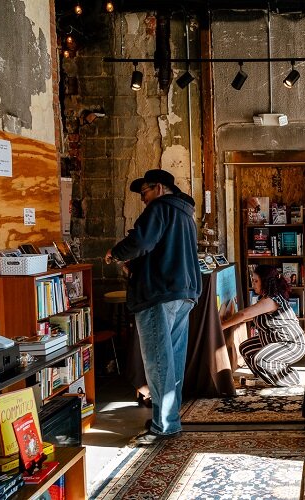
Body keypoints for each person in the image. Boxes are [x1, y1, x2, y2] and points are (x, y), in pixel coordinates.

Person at [105, 169, 201, 445]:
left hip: (160, 292)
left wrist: (117, 252)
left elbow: (143, 241)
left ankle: (165, 424)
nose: (143, 200)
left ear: (158, 188)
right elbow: (161, 250)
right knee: (172, 359)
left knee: (158, 361)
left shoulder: (160, 207)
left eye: (144, 193)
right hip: (184, 292)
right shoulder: (184, 212)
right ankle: (167, 417)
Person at [220, 264, 305, 387]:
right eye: (252, 280)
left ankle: (292, 378)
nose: (253, 284)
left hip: (291, 343)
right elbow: (249, 316)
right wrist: (232, 319)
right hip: (274, 340)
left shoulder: (272, 300)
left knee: (261, 360)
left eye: (256, 281)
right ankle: (264, 376)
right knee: (246, 348)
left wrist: (222, 326)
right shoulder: (264, 298)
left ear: (265, 282)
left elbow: (244, 314)